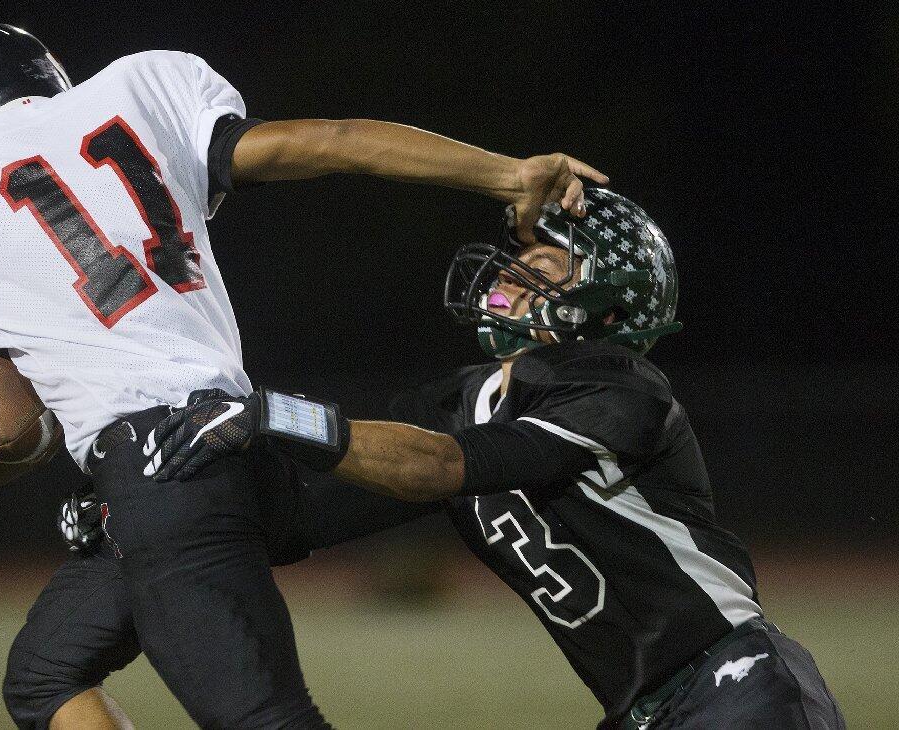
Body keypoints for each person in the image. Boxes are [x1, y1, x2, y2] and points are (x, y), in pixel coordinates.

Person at [0, 20, 605, 729]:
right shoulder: (137, 88)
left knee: (263, 718)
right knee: (45, 670)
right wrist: (511, 173)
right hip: (237, 434)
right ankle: (553, 420)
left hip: (167, 475)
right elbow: (336, 140)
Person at [141, 188, 845, 728]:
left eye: (541, 262)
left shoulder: (620, 388)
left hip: (739, 683)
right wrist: (151, 501)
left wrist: (273, 414)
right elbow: (304, 506)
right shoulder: (466, 400)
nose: (510, 273)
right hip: (643, 711)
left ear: (606, 299)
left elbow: (442, 466)